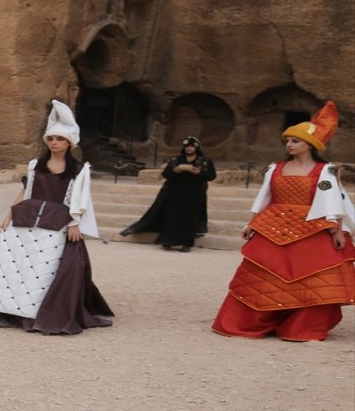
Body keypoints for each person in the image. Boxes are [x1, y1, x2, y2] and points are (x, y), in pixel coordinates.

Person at [0, 100, 113, 335]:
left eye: (59, 139)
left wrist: (74, 223)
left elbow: (80, 198)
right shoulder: (35, 165)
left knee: (46, 268)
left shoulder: (80, 169)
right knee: (11, 266)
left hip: (58, 224)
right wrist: (10, 213)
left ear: (69, 142)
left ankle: (39, 313)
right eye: (51, 139)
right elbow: (26, 191)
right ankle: (1, 310)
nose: (54, 143)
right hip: (27, 221)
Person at [211, 101, 355, 342]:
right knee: (263, 275)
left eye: (295, 140)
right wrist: (252, 223)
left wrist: (336, 230)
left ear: (310, 145)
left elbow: (331, 199)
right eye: (287, 140)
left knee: (313, 276)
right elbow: (264, 197)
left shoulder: (325, 171)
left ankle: (301, 327)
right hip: (273, 224)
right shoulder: (275, 168)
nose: (289, 144)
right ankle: (254, 322)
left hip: (312, 224)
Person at [120, 136, 217, 251]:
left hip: (194, 195)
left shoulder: (204, 161)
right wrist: (174, 171)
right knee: (172, 217)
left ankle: (186, 244)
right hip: (174, 193)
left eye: (191, 147)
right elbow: (166, 174)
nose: (189, 149)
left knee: (188, 218)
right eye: (187, 147)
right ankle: (168, 241)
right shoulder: (176, 160)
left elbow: (211, 176)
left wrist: (199, 172)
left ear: (196, 148)